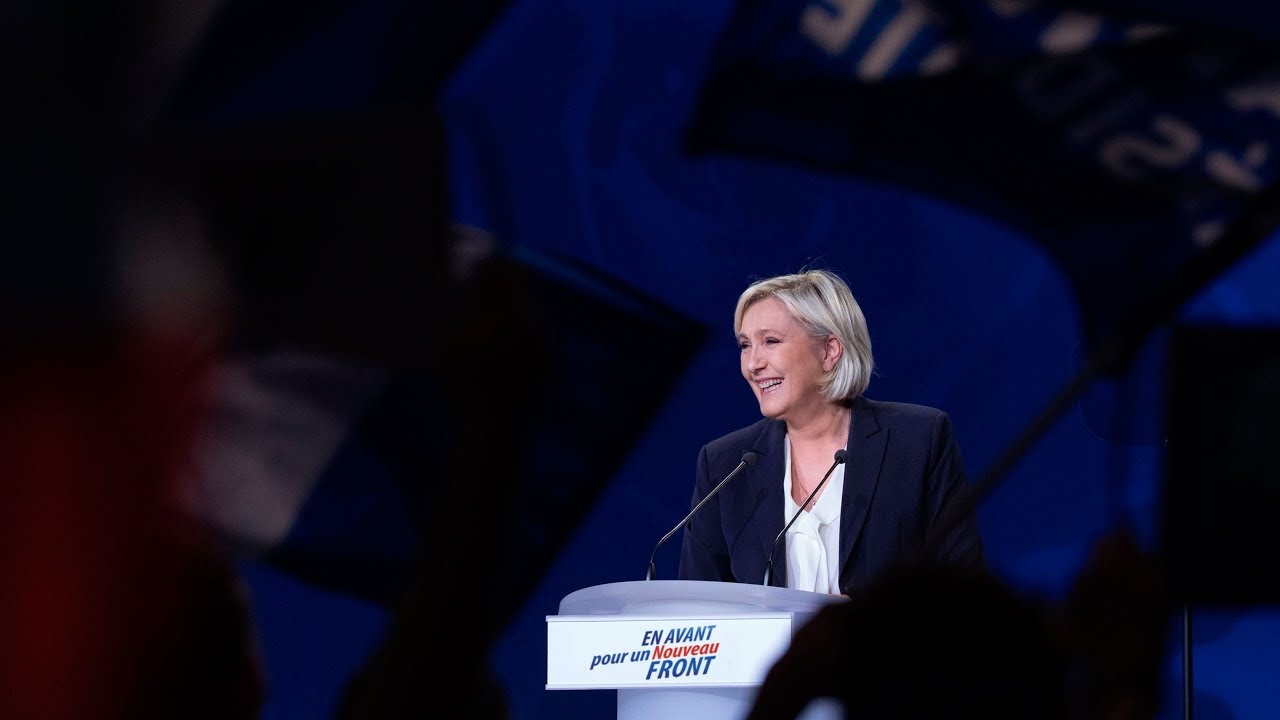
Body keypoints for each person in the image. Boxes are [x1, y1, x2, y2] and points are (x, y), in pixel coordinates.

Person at [678, 268, 984, 593]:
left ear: (829, 351)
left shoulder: (917, 441)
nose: (753, 364)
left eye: (771, 341)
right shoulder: (725, 465)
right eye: (744, 345)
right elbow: (697, 604)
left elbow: (962, 587)